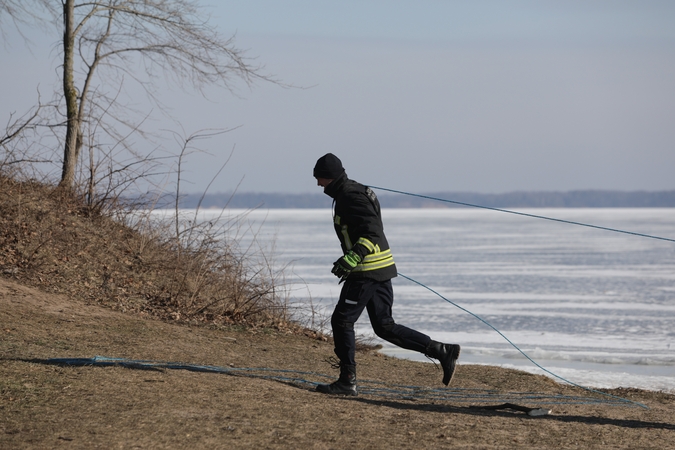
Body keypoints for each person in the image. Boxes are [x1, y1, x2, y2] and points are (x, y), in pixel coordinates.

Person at [313, 153, 461, 396]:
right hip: (379, 267)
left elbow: (372, 231)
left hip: (366, 270)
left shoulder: (350, 196)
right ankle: (441, 351)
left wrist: (353, 256)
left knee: (342, 321)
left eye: (319, 178)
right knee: (384, 326)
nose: (318, 184)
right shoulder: (351, 191)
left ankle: (347, 381)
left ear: (329, 176)